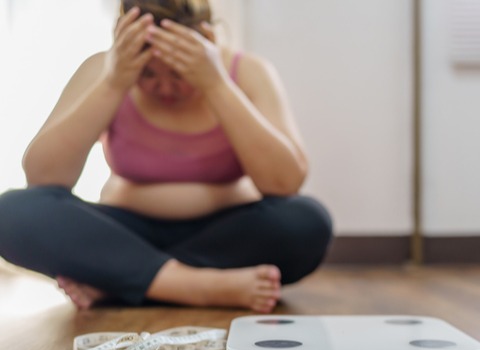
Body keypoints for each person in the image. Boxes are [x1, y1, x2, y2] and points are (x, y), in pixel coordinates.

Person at [0, 0, 332, 313]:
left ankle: (121, 281)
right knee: (10, 213)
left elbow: (285, 182)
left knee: (306, 220)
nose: (165, 89)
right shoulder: (104, 69)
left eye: (178, 73)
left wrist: (215, 82)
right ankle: (192, 285)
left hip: (225, 235)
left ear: (209, 42)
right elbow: (43, 177)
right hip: (123, 233)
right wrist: (115, 82)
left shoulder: (247, 72)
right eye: (147, 74)